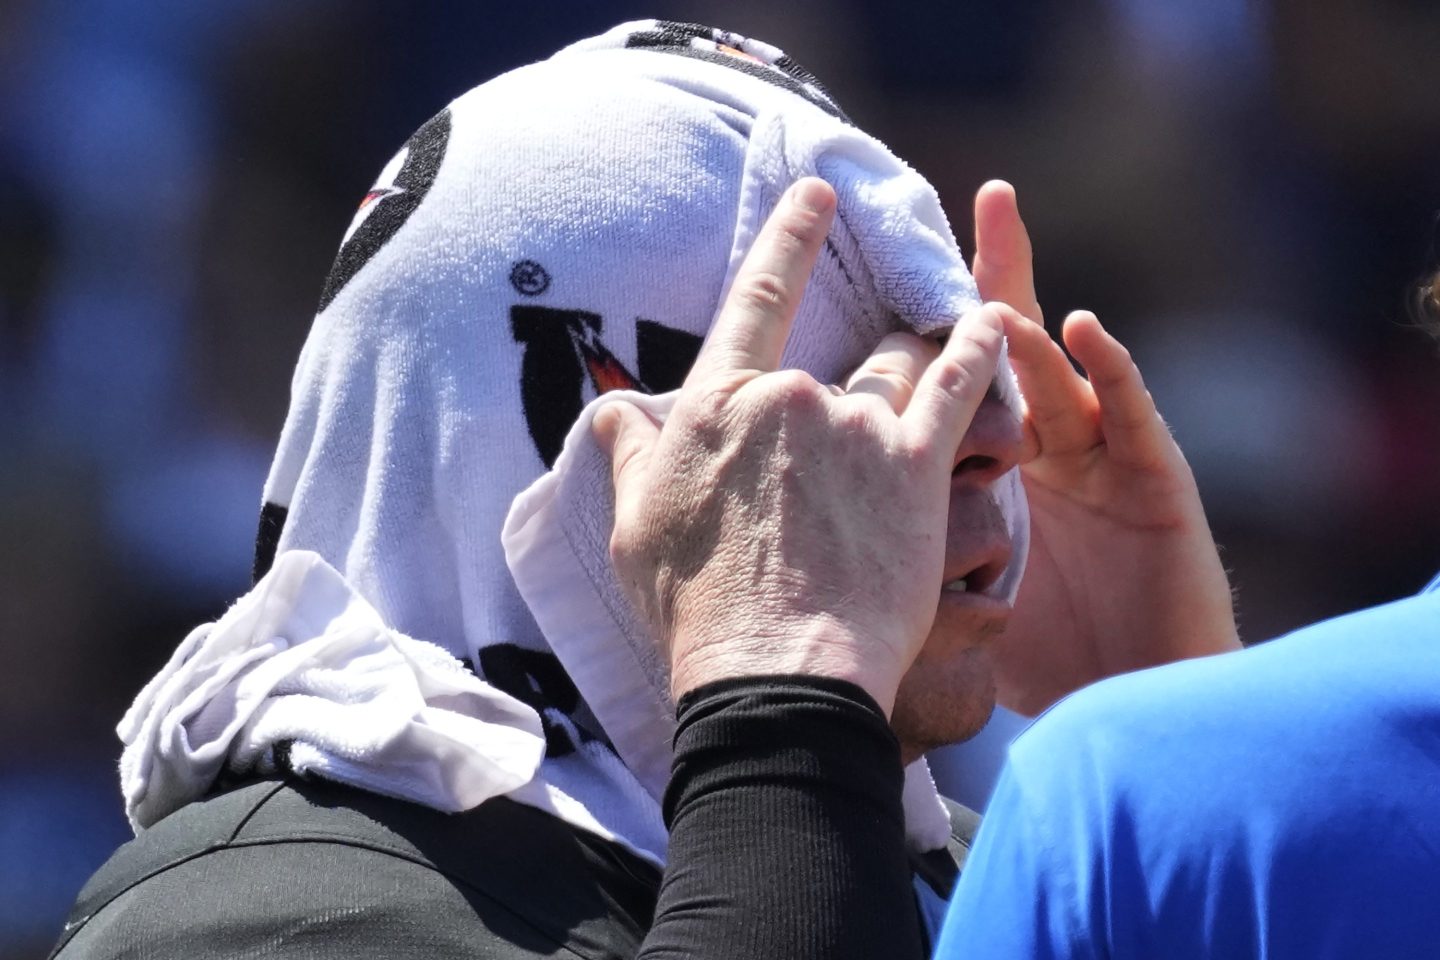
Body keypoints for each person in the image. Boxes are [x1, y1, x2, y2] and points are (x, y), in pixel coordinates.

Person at [50, 20, 1235, 960]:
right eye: (848, 381)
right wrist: (781, 703)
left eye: (953, 360)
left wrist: (1174, 764)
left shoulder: (947, 874)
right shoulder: (259, 919)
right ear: (565, 436)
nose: (994, 435)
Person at [931, 280, 1440, 958]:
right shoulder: (1108, 769)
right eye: (1224, 522)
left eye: (1271, 534)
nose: (1245, 565)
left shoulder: (1103, 779)